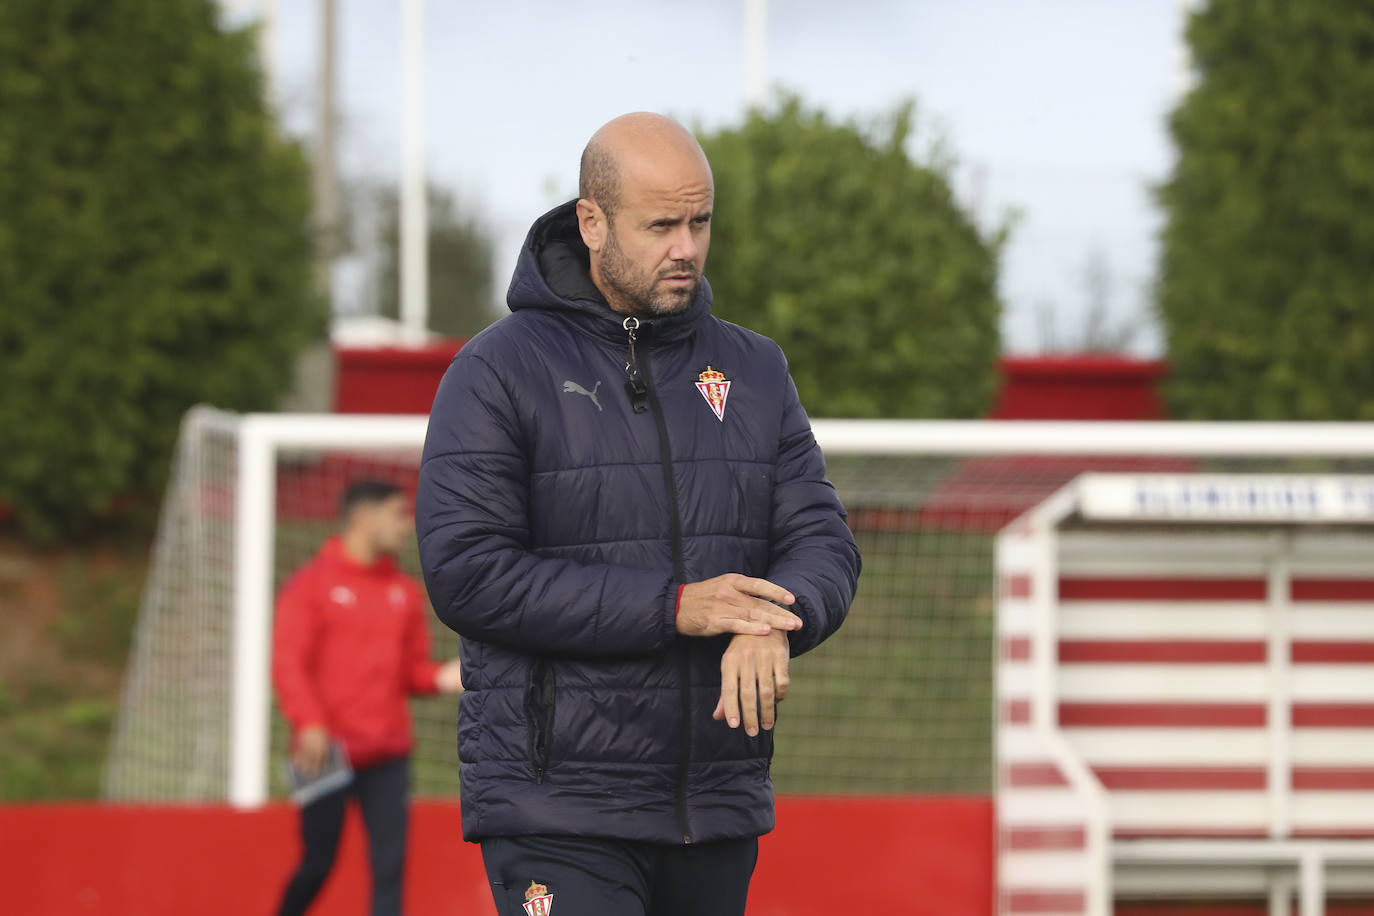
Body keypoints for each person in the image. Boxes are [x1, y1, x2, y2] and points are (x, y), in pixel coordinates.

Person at [416, 112, 861, 916]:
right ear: (592, 221)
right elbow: (469, 575)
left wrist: (770, 618)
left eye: (700, 222)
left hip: (716, 805)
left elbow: (822, 541)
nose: (686, 246)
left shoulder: (755, 368)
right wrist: (675, 607)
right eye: (661, 225)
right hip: (559, 810)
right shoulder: (495, 370)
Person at [271, 479, 464, 916]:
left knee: (390, 869)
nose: (405, 525)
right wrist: (310, 724)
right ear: (362, 518)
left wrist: (445, 677)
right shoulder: (309, 587)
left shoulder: (404, 591)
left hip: (388, 753)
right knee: (318, 863)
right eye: (397, 514)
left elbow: (411, 674)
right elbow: (288, 665)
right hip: (323, 752)